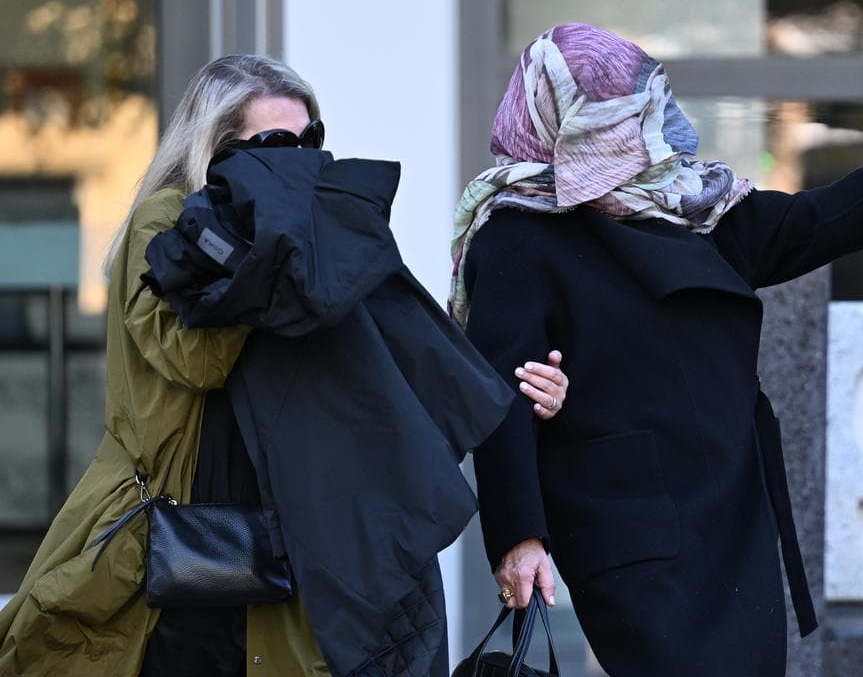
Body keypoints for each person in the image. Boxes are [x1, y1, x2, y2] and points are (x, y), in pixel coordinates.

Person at [453, 23, 863, 676]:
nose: (619, 127)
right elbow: (502, 393)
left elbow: (822, 222)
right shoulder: (517, 229)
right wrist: (519, 538)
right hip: (627, 529)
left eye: (628, 108)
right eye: (597, 111)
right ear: (551, 112)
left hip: (732, 516)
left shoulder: (694, 206)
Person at [0, 54, 569, 677]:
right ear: (214, 146)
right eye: (274, 143)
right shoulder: (163, 222)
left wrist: (533, 394)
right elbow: (195, 360)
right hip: (177, 533)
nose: (297, 159)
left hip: (299, 530)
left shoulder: (320, 229)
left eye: (310, 141)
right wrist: (263, 245)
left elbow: (394, 363)